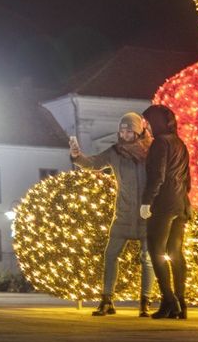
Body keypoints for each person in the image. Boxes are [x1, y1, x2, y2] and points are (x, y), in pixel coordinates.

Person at [71, 112, 154, 317]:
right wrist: (77, 156)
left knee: (148, 259)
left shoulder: (152, 151)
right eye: (122, 131)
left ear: (138, 131)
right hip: (123, 214)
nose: (125, 134)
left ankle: (145, 302)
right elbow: (93, 163)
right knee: (110, 255)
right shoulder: (115, 152)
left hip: (147, 214)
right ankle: (107, 301)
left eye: (129, 130)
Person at [139, 103, 192, 320]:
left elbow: (157, 176)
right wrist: (182, 199)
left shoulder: (160, 143)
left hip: (163, 203)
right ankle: (180, 303)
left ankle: (169, 300)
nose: (147, 127)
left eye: (149, 122)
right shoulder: (180, 143)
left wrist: (146, 202)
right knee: (176, 253)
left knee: (157, 251)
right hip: (181, 202)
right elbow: (187, 179)